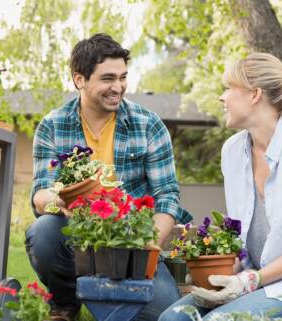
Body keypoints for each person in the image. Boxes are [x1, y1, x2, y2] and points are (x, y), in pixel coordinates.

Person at [160, 52, 282, 320]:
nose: (222, 97)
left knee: (219, 320)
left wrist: (250, 280)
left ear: (254, 95)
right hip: (259, 282)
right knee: (174, 318)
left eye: (229, 89)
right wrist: (219, 272)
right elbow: (243, 238)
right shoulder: (233, 150)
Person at [25, 33, 192, 321]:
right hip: (78, 236)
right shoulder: (53, 125)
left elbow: (167, 196)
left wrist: (148, 244)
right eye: (108, 79)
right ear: (80, 79)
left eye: (123, 77)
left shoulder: (148, 125)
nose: (118, 87)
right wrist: (63, 201)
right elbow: (41, 193)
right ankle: (65, 305)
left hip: (134, 244)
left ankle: (110, 297)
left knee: (164, 314)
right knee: (44, 231)